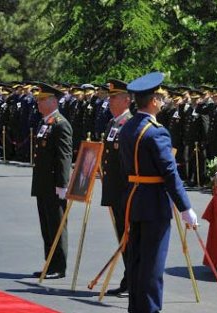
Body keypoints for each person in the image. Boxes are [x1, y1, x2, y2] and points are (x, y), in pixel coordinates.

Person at [119, 72, 198, 313]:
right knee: (152, 266)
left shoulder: (128, 126)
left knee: (136, 262)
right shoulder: (157, 131)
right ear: (153, 101)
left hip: (133, 198)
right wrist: (186, 208)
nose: (163, 103)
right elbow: (170, 174)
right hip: (154, 203)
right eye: (161, 98)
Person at [31, 83, 73, 279]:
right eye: (38, 100)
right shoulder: (45, 122)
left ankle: (59, 266)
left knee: (57, 225)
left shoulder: (60, 123)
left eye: (42, 100)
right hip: (42, 183)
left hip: (55, 185)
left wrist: (63, 185)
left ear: (53, 101)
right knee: (46, 226)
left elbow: (64, 157)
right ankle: (49, 262)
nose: (38, 103)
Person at [100, 79, 133, 297]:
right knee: (122, 236)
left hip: (126, 191)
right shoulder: (113, 123)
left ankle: (132, 281)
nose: (110, 101)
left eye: (114, 97)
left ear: (127, 100)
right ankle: (128, 278)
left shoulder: (130, 124)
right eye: (109, 97)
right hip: (114, 190)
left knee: (129, 238)